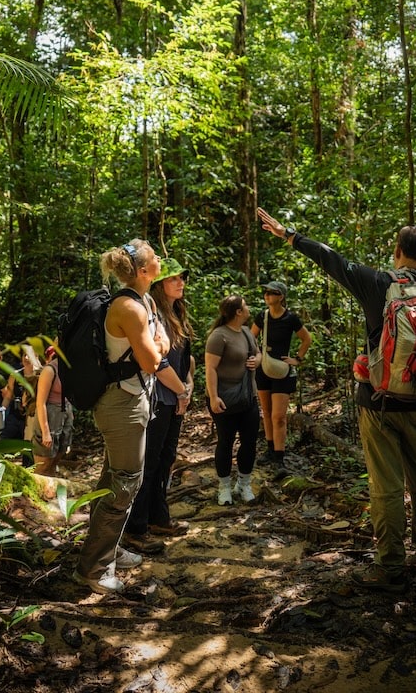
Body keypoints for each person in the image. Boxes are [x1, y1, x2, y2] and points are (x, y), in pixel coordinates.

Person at [257, 207, 416, 592]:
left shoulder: (376, 284)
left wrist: (290, 235)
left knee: (386, 486)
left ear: (396, 250)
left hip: (378, 403)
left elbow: (331, 259)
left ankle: (390, 567)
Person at [74, 239, 191, 595]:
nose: (161, 261)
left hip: (136, 399)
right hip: (120, 405)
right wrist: (157, 345)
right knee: (125, 483)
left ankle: (107, 549)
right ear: (143, 271)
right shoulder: (130, 307)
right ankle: (93, 569)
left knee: (114, 478)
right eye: (156, 258)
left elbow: (160, 348)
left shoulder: (147, 302)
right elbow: (154, 360)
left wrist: (157, 345)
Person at [126, 258, 195, 544]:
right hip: (158, 398)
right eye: (173, 278)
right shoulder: (155, 316)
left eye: (182, 278)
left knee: (165, 459)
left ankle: (159, 518)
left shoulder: (178, 313)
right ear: (158, 285)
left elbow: (185, 360)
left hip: (176, 398)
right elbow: (158, 361)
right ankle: (136, 526)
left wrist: (188, 386)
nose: (180, 282)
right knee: (150, 461)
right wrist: (180, 391)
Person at [249, 281, 311, 476]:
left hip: (282, 370)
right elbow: (251, 338)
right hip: (263, 369)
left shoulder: (291, 318)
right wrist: (257, 355)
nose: (267, 295)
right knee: (266, 412)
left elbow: (306, 338)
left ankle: (280, 455)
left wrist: (297, 359)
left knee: (279, 416)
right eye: (266, 292)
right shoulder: (262, 316)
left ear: (281, 296)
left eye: (272, 293)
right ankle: (270, 450)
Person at [204, 294, 261, 506]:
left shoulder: (246, 332)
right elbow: (210, 368)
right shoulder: (219, 336)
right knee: (226, 443)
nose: (248, 309)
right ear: (238, 312)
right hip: (225, 399)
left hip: (248, 398)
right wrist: (213, 397)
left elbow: (259, 353)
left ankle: (244, 484)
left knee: (249, 442)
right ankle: (224, 487)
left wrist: (257, 360)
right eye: (245, 306)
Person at [31, 345, 74, 476]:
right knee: (44, 461)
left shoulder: (69, 369)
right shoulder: (49, 370)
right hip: (49, 414)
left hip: (64, 412)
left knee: (56, 457)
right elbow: (40, 402)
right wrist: (45, 432)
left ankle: (50, 489)